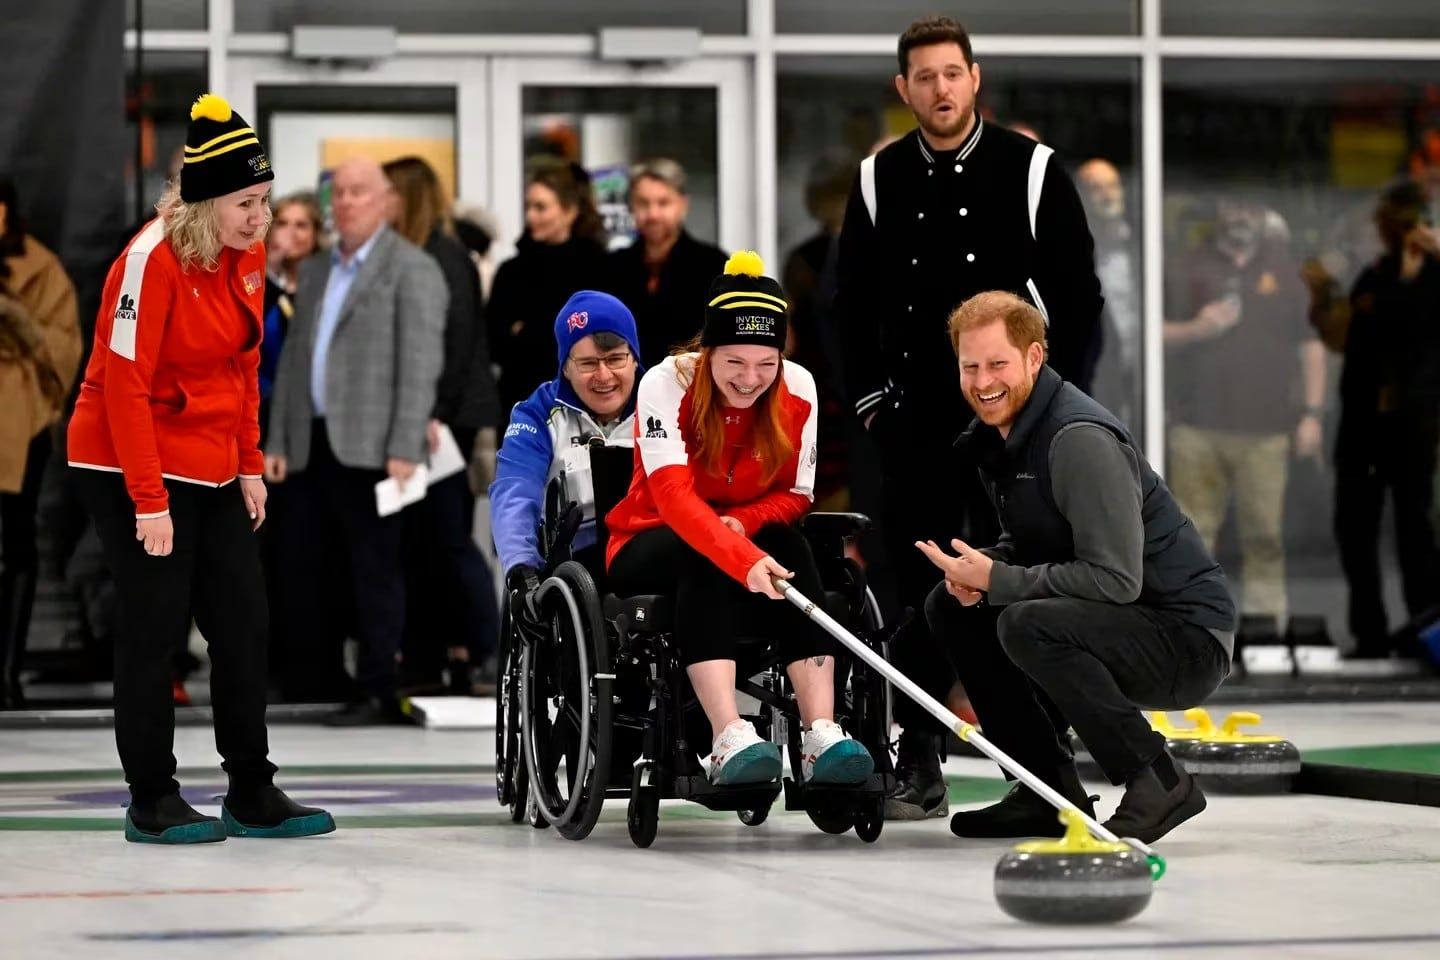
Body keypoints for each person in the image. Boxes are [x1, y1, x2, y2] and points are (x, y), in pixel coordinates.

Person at [834, 15, 1105, 820]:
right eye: (924, 77)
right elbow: (848, 309)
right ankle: (918, 755)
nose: (940, 88)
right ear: (903, 89)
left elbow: (1080, 302)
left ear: (974, 78)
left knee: (1019, 598)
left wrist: (1054, 413)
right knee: (918, 595)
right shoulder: (878, 178)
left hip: (1015, 429)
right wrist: (874, 403)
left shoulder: (1033, 170)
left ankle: (1039, 777)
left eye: (953, 73)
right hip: (912, 431)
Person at [65, 93, 333, 842]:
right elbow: (122, 386)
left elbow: (244, 367)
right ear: (206, 200)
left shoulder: (245, 256)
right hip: (126, 459)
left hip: (211, 464)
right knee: (154, 625)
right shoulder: (147, 262)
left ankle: (251, 787)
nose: (261, 218)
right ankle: (151, 797)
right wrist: (148, 502)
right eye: (247, 202)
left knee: (243, 622)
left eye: (265, 200)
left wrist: (248, 464)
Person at [917, 290, 1234, 844]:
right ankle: (1044, 792)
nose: (982, 380)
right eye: (970, 366)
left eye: (998, 364)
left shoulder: (1078, 439)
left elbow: (1115, 578)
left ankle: (1159, 779)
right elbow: (1036, 545)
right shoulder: (1003, 438)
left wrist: (1000, 581)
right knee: (952, 606)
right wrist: (980, 567)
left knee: (1024, 620)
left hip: (1186, 639)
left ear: (1034, 358)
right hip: (1122, 618)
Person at [603, 252, 874, 786]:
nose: (751, 379)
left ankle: (819, 731)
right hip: (650, 537)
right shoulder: (666, 384)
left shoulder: (799, 388)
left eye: (765, 364)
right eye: (734, 363)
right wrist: (736, 553)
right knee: (702, 554)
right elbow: (675, 500)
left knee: (793, 547)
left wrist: (744, 525)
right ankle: (728, 735)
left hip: (742, 538)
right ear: (707, 353)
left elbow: (797, 495)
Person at [264, 156, 447, 724]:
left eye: (359, 193)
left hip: (374, 444)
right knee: (306, 564)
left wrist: (403, 444)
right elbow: (295, 361)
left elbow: (420, 365)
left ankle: (378, 686)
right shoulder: (317, 269)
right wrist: (278, 440)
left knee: (375, 569)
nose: (344, 203)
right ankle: (317, 676)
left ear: (388, 201)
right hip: (311, 440)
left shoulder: (411, 268)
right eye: (338, 193)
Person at [1164, 198, 1324, 633]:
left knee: (1266, 537)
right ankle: (1194, 631)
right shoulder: (1184, 265)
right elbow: (1147, 334)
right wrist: (1197, 329)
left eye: (1250, 206)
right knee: (1191, 538)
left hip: (1267, 429)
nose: (1240, 216)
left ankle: (1266, 630)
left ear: (1262, 215)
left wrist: (1312, 414)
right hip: (1196, 426)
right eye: (1232, 207)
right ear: (1218, 214)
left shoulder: (1287, 270)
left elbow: (1310, 345)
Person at [383, 155, 501, 693]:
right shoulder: (407, 253)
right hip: (424, 416)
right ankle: (428, 655)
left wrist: (433, 412)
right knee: (421, 542)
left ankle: (488, 648)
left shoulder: (445, 257)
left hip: (442, 420)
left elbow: (453, 348)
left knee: (448, 539)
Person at [1331, 182, 1440, 658]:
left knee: (1416, 532)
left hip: (1413, 426)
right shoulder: (1373, 275)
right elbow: (1354, 337)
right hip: (1363, 426)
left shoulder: (1432, 278)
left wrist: (1416, 273)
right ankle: (1369, 633)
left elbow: (1411, 331)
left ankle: (1424, 631)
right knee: (1355, 530)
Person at [491, 290, 642, 594]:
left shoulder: (662, 400)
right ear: (565, 367)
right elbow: (514, 490)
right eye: (588, 363)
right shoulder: (537, 413)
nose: (604, 375)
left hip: (646, 546)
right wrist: (521, 566)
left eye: (615, 359)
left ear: (635, 358)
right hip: (574, 559)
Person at [0, 177, 82, 709]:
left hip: (18, 423)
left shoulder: (42, 269)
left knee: (15, 543)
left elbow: (65, 353)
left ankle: (6, 671)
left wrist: (16, 318)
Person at [489, 159, 607, 419]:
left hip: (583, 404)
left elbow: (600, 339)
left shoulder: (598, 268)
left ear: (569, 211)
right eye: (528, 207)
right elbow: (496, 341)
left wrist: (527, 331)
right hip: (521, 403)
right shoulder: (512, 270)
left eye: (541, 207)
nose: (531, 216)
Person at [602, 159, 727, 368]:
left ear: (682, 205)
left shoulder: (713, 266)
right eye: (643, 203)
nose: (653, 214)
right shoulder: (612, 267)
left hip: (692, 385)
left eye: (663, 203)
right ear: (632, 206)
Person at [1076, 158, 1141, 431]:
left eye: (1112, 186)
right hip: (1098, 377)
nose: (1107, 195)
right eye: (1096, 188)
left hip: (1143, 374)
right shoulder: (1072, 248)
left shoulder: (1143, 244)